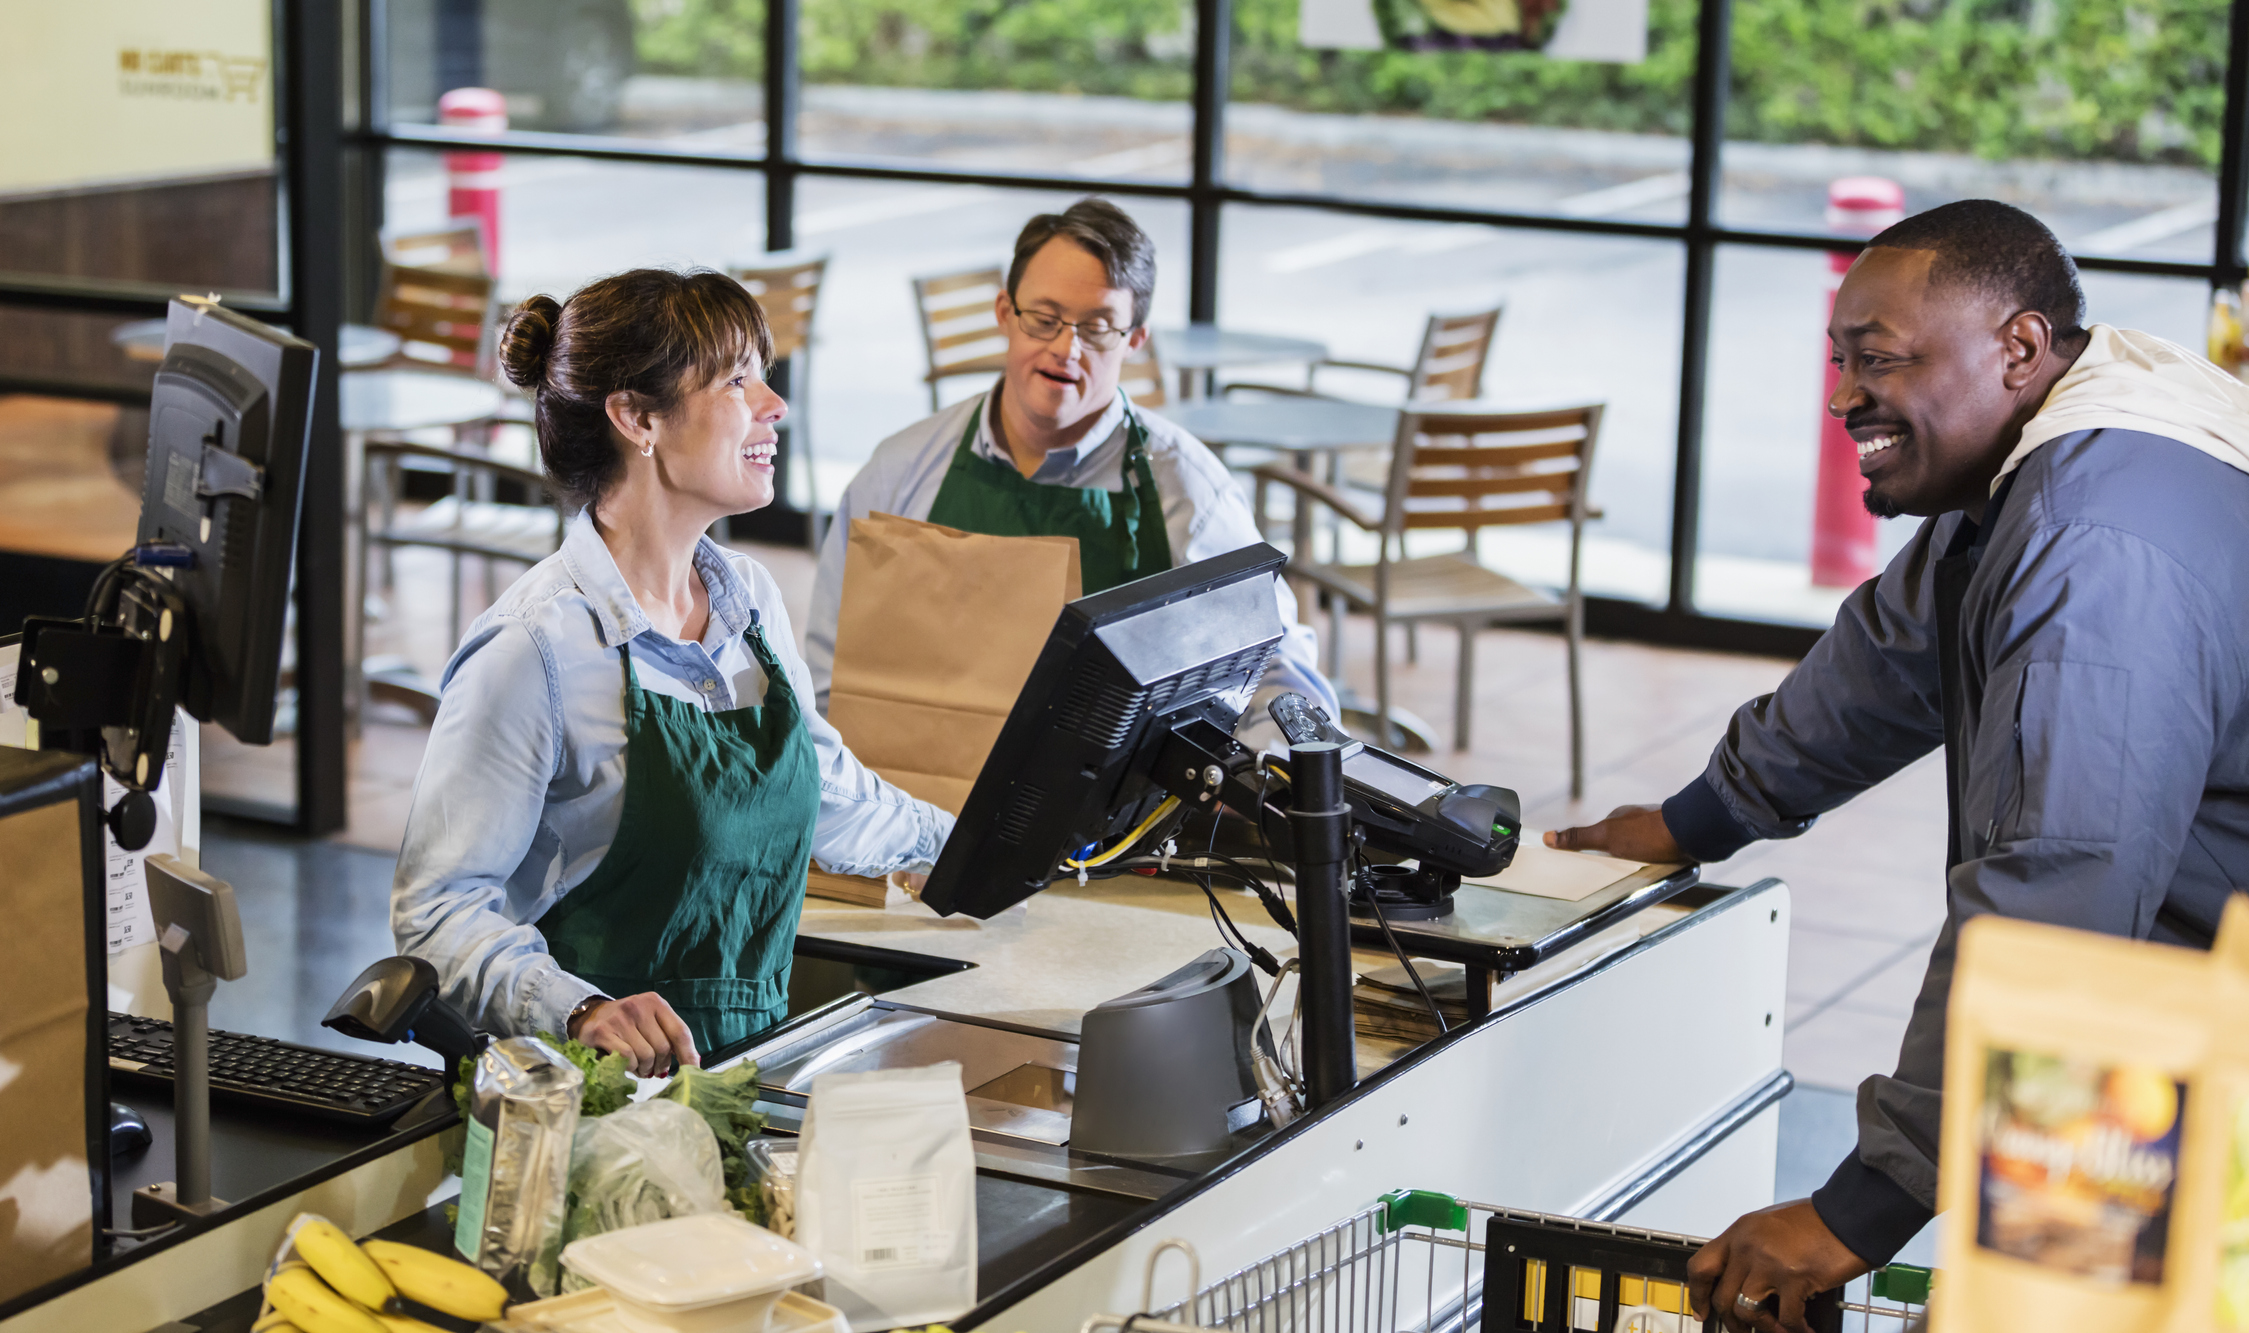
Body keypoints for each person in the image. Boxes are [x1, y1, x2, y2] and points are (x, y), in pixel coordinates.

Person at [1545, 200, 2249, 1332]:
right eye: (1838, 363)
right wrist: (1690, 821)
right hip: (2132, 1014)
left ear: (2017, 347)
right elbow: (1883, 666)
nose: (1840, 397)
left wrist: (1857, 1210)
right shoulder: (2044, 465)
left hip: (2176, 1041)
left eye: (1877, 361)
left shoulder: (2089, 546)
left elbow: (2055, 900)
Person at [393, 269, 952, 1078]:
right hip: (587, 1103)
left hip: (748, 1072)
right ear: (635, 417)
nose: (774, 404)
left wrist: (968, 845)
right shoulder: (534, 649)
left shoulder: (748, 602)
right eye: (736, 380)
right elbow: (436, 913)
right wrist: (578, 1008)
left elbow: (826, 789)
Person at [804, 196, 1335, 726]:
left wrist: (1282, 765)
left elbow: (1277, 667)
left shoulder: (1190, 494)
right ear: (1005, 314)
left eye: (1098, 327)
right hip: (913, 798)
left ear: (1136, 341)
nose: (1067, 349)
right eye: (1044, 318)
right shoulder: (898, 472)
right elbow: (834, 677)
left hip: (1116, 809)